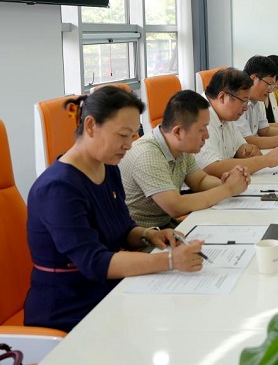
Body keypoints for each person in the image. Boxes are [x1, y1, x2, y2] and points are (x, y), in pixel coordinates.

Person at [25, 87, 204, 332]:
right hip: (70, 309)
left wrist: (149, 235)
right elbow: (95, 262)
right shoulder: (58, 188)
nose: (129, 145)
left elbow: (123, 229)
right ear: (91, 126)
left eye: (133, 135)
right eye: (122, 135)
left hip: (110, 292)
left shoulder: (108, 167)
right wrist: (170, 260)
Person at [121, 90, 251, 229]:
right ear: (178, 131)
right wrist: (227, 189)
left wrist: (227, 182)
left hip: (165, 226)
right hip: (141, 233)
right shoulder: (147, 155)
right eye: (202, 129)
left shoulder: (180, 147)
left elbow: (200, 181)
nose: (207, 136)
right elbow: (175, 206)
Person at [195, 67, 278, 177]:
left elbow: (240, 146)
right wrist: (266, 160)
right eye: (243, 101)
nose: (246, 108)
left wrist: (248, 151)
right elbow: (211, 167)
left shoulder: (226, 113)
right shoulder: (199, 117)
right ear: (222, 97)